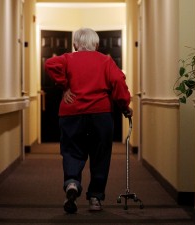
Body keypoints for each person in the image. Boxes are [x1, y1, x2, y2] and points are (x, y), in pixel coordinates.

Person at [45, 27, 132, 214]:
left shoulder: (67, 58)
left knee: (71, 151)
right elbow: (118, 81)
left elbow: (50, 64)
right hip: (100, 115)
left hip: (71, 114)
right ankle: (95, 198)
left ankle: (72, 184)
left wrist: (64, 86)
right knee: (100, 155)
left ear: (75, 44)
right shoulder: (106, 60)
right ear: (97, 44)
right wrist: (125, 106)